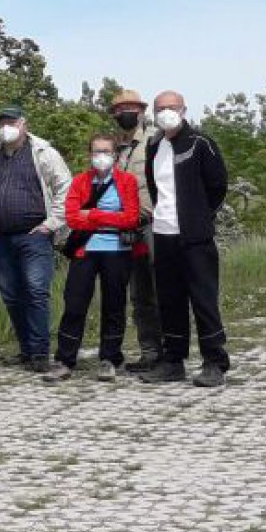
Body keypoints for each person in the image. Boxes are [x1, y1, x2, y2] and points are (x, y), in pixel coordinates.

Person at [0, 106, 71, 372]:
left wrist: (52, 224)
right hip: (1, 237)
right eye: (2, 121)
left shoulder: (43, 153)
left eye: (11, 121)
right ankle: (26, 350)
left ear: (24, 124)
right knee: (11, 294)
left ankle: (40, 353)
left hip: (35, 236)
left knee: (36, 291)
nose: (6, 126)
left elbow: (65, 188)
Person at [143, 92, 232, 388]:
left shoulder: (200, 143)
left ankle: (214, 361)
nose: (166, 112)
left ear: (183, 110)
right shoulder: (154, 146)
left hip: (195, 236)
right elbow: (156, 189)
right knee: (169, 300)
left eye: (172, 107)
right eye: (160, 109)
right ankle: (173, 361)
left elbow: (218, 184)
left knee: (203, 298)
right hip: (164, 232)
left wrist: (200, 215)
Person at [46, 133, 145, 382]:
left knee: (114, 305)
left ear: (114, 154)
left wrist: (93, 214)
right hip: (85, 250)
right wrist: (109, 217)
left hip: (117, 251)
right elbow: (72, 217)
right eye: (96, 151)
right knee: (75, 304)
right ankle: (65, 360)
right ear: (90, 154)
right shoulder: (80, 182)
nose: (101, 156)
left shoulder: (127, 181)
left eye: (106, 151)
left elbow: (131, 218)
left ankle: (110, 358)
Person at [107, 88, 165, 374]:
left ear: (142, 111)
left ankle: (172, 352)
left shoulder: (156, 141)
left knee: (162, 289)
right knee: (139, 294)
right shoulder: (116, 149)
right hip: (127, 229)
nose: (125, 113)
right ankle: (150, 352)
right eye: (119, 110)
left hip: (155, 225)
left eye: (130, 108)